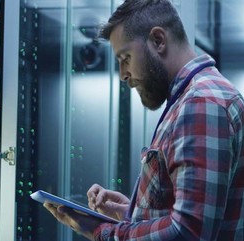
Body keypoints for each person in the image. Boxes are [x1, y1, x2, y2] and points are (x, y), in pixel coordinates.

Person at [44, 0, 244, 240]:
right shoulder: (193, 98)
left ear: (158, 40)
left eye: (125, 57)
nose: (123, 75)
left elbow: (188, 232)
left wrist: (102, 232)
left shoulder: (201, 103)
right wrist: (131, 212)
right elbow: (186, 215)